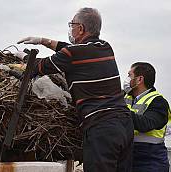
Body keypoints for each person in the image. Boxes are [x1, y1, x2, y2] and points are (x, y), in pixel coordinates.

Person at [17, 7, 133, 172]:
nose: (70, 28)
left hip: (101, 128)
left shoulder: (72, 54)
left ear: (80, 28)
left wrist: (24, 57)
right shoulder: (105, 47)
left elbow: (38, 67)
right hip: (124, 125)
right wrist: (44, 41)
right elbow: (70, 50)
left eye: (72, 24)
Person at [123, 62, 171, 172]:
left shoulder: (158, 102)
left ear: (139, 79)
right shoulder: (123, 97)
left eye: (129, 75)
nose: (127, 79)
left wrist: (120, 110)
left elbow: (146, 124)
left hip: (150, 160)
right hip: (127, 157)